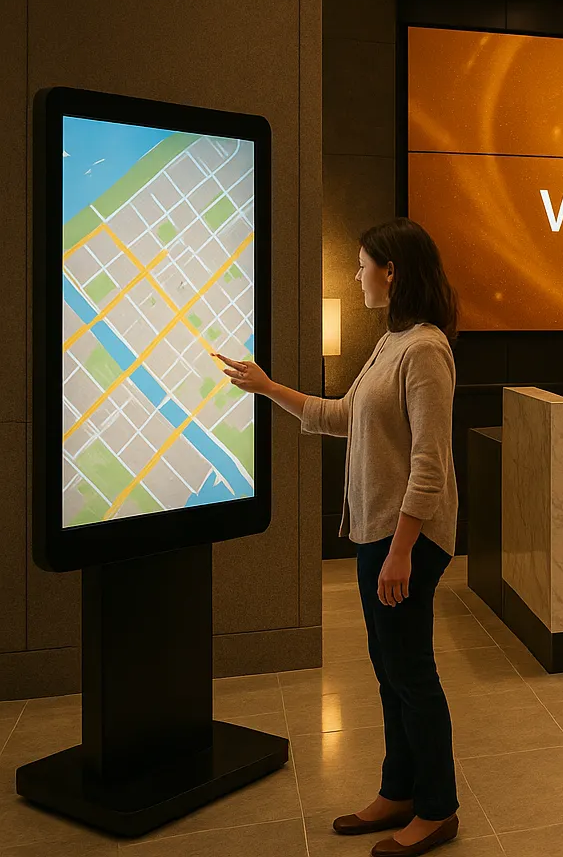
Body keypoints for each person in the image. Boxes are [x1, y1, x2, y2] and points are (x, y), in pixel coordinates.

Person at [218, 218, 461, 857]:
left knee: (410, 672)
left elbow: (430, 463)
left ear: (392, 272)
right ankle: (398, 791)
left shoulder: (425, 350)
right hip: (377, 531)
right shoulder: (391, 343)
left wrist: (402, 550)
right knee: (389, 670)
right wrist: (267, 387)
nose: (357, 278)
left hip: (406, 538)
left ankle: (438, 809)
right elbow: (343, 417)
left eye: (362, 266)